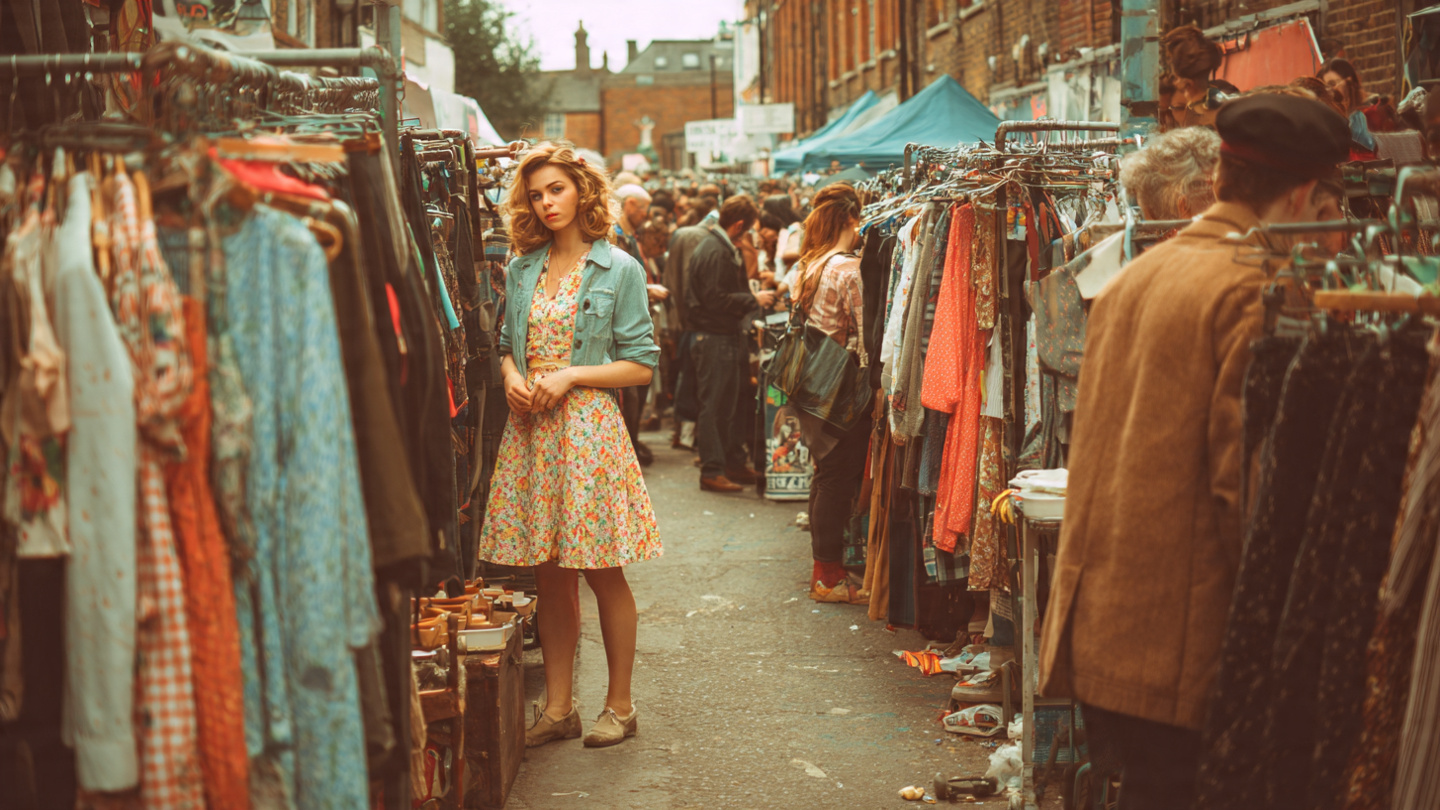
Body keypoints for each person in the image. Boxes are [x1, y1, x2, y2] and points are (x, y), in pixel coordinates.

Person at [1037, 95, 1348, 808]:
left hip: (1106, 634)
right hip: (1187, 651)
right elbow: (1254, 495)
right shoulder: (1260, 290)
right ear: (1306, 192)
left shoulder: (1135, 276)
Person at [479, 141, 663, 750]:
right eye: (535, 194)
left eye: (555, 189)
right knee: (549, 575)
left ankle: (621, 705)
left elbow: (640, 365)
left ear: (582, 191)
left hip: (587, 432)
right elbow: (507, 343)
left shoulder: (619, 268)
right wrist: (511, 376)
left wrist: (571, 375)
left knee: (601, 571)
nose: (545, 202)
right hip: (533, 429)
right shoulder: (522, 265)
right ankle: (559, 708)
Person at [788, 184, 869, 604]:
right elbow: (863, 331)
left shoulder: (811, 264)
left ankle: (825, 571)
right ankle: (829, 578)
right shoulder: (848, 269)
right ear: (850, 221)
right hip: (838, 383)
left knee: (825, 474)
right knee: (838, 477)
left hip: (810, 381)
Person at [686, 195, 775, 492]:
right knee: (716, 405)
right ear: (739, 226)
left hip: (721, 336)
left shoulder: (718, 246)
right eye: (748, 230)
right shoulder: (716, 250)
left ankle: (732, 462)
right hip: (714, 337)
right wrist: (754, 298)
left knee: (731, 403)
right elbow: (715, 299)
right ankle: (712, 469)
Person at [612, 183, 663, 465]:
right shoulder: (618, 238)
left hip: (634, 329)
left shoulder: (631, 237)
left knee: (635, 393)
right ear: (630, 204)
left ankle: (631, 445)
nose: (646, 215)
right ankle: (629, 447)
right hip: (624, 333)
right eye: (643, 208)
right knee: (629, 396)